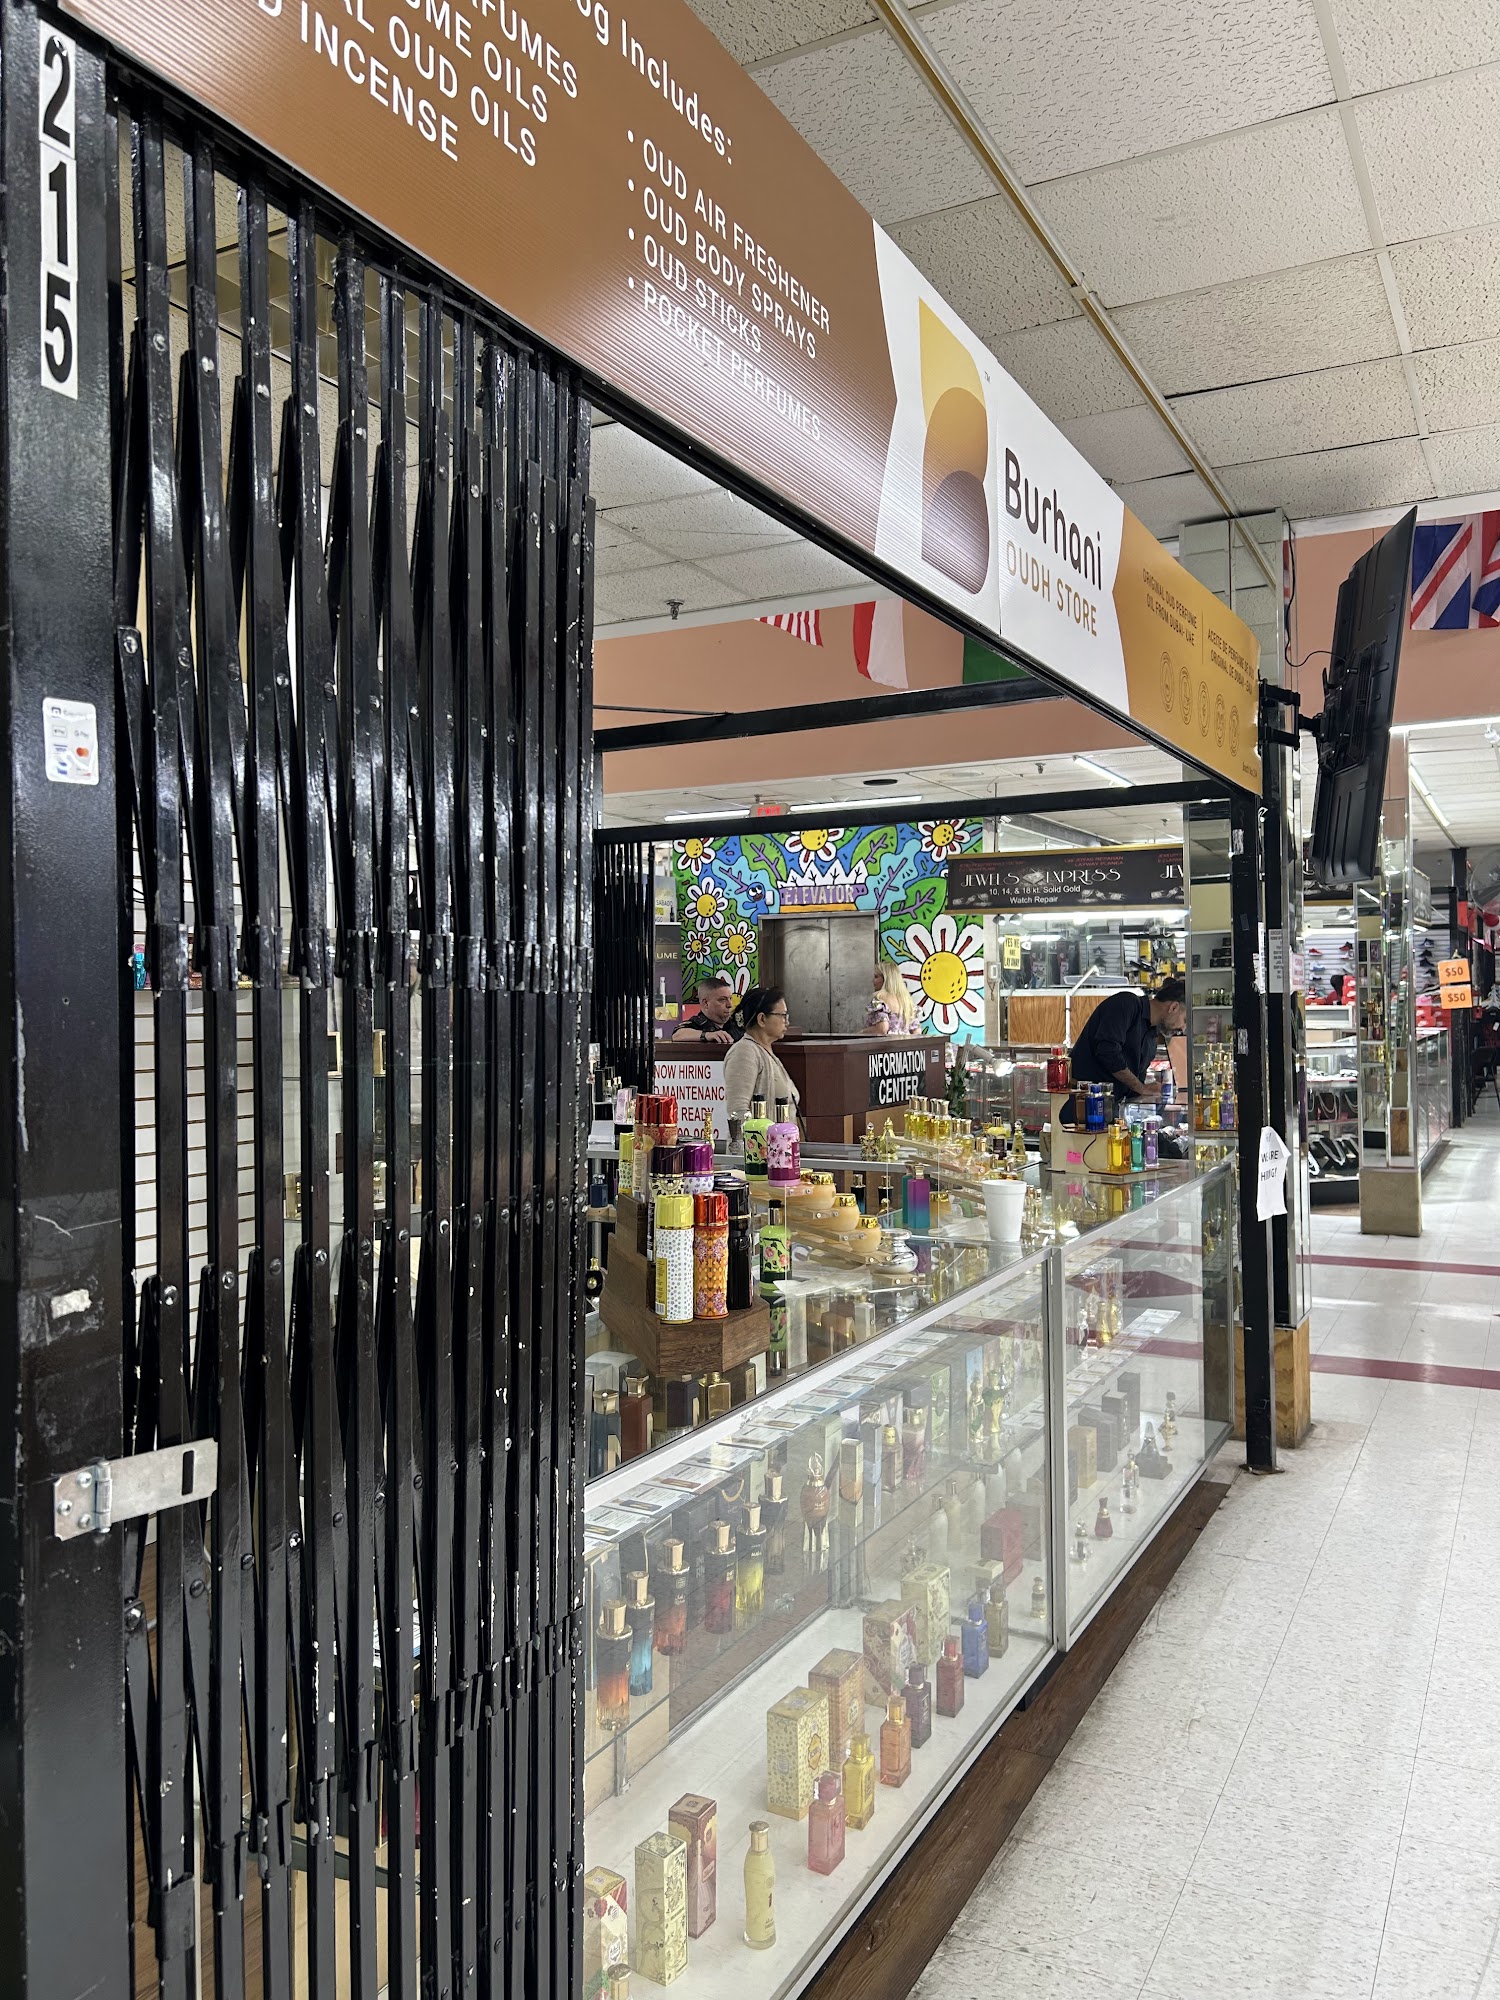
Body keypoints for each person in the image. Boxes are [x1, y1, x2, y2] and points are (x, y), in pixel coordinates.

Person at [1066, 977, 1186, 1115]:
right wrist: (1141, 1088)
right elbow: (1108, 1052)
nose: (1183, 1029)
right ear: (1174, 1007)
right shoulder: (1126, 1004)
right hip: (1082, 1106)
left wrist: (1149, 1091)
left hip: (1110, 1110)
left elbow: (1135, 1084)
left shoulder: (1152, 1036)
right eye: (1185, 1020)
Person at [723, 986, 801, 1133]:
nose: (787, 1022)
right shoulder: (744, 1051)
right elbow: (738, 1111)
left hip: (779, 1145)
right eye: (782, 1015)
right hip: (758, 1146)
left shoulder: (767, 1052)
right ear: (762, 1019)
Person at [671, 972, 741, 1045]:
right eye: (722, 1000)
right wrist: (707, 1035)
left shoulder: (737, 1025)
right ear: (706, 1003)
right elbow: (677, 1035)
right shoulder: (696, 1024)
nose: (730, 1005)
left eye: (730, 998)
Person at [866, 959, 916, 1035]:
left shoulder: (880, 998)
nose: (872, 981)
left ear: (886, 978)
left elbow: (882, 1028)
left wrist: (862, 1032)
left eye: (876, 977)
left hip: (886, 1042)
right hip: (906, 1042)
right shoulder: (906, 1001)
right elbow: (916, 1031)